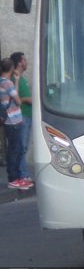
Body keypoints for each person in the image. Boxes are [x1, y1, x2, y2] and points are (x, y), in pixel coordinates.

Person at [0, 58, 32, 190]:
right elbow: (18, 101)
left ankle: (16, 177)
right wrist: (17, 81)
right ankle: (14, 179)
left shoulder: (1, 82)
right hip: (14, 120)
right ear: (12, 69)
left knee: (14, 149)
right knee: (15, 150)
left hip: (8, 120)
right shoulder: (8, 83)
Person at [11, 52, 32, 181]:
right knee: (21, 146)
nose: (26, 62)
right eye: (24, 59)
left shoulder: (22, 78)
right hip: (22, 116)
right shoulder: (15, 78)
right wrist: (26, 99)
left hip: (28, 116)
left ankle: (23, 173)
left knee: (24, 146)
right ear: (19, 63)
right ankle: (22, 175)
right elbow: (15, 96)